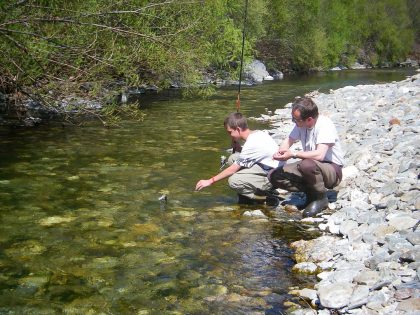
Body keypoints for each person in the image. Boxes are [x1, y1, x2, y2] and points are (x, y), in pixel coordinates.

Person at [269, 97, 344, 217]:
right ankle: (311, 192)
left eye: (296, 120)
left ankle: (320, 198)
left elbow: (320, 154)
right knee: (274, 175)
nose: (294, 122)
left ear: (309, 120)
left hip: (332, 169)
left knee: (307, 164)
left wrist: (293, 154)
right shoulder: (301, 124)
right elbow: (289, 140)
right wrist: (281, 152)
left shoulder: (325, 125)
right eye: (293, 118)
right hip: (310, 166)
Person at [195, 112, 283, 205]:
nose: (230, 136)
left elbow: (232, 170)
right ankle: (249, 188)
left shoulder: (251, 144)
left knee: (233, 181)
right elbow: (252, 155)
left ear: (237, 129)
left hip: (273, 178)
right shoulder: (257, 133)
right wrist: (238, 146)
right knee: (233, 158)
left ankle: (265, 198)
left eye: (230, 132)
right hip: (271, 168)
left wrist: (210, 181)